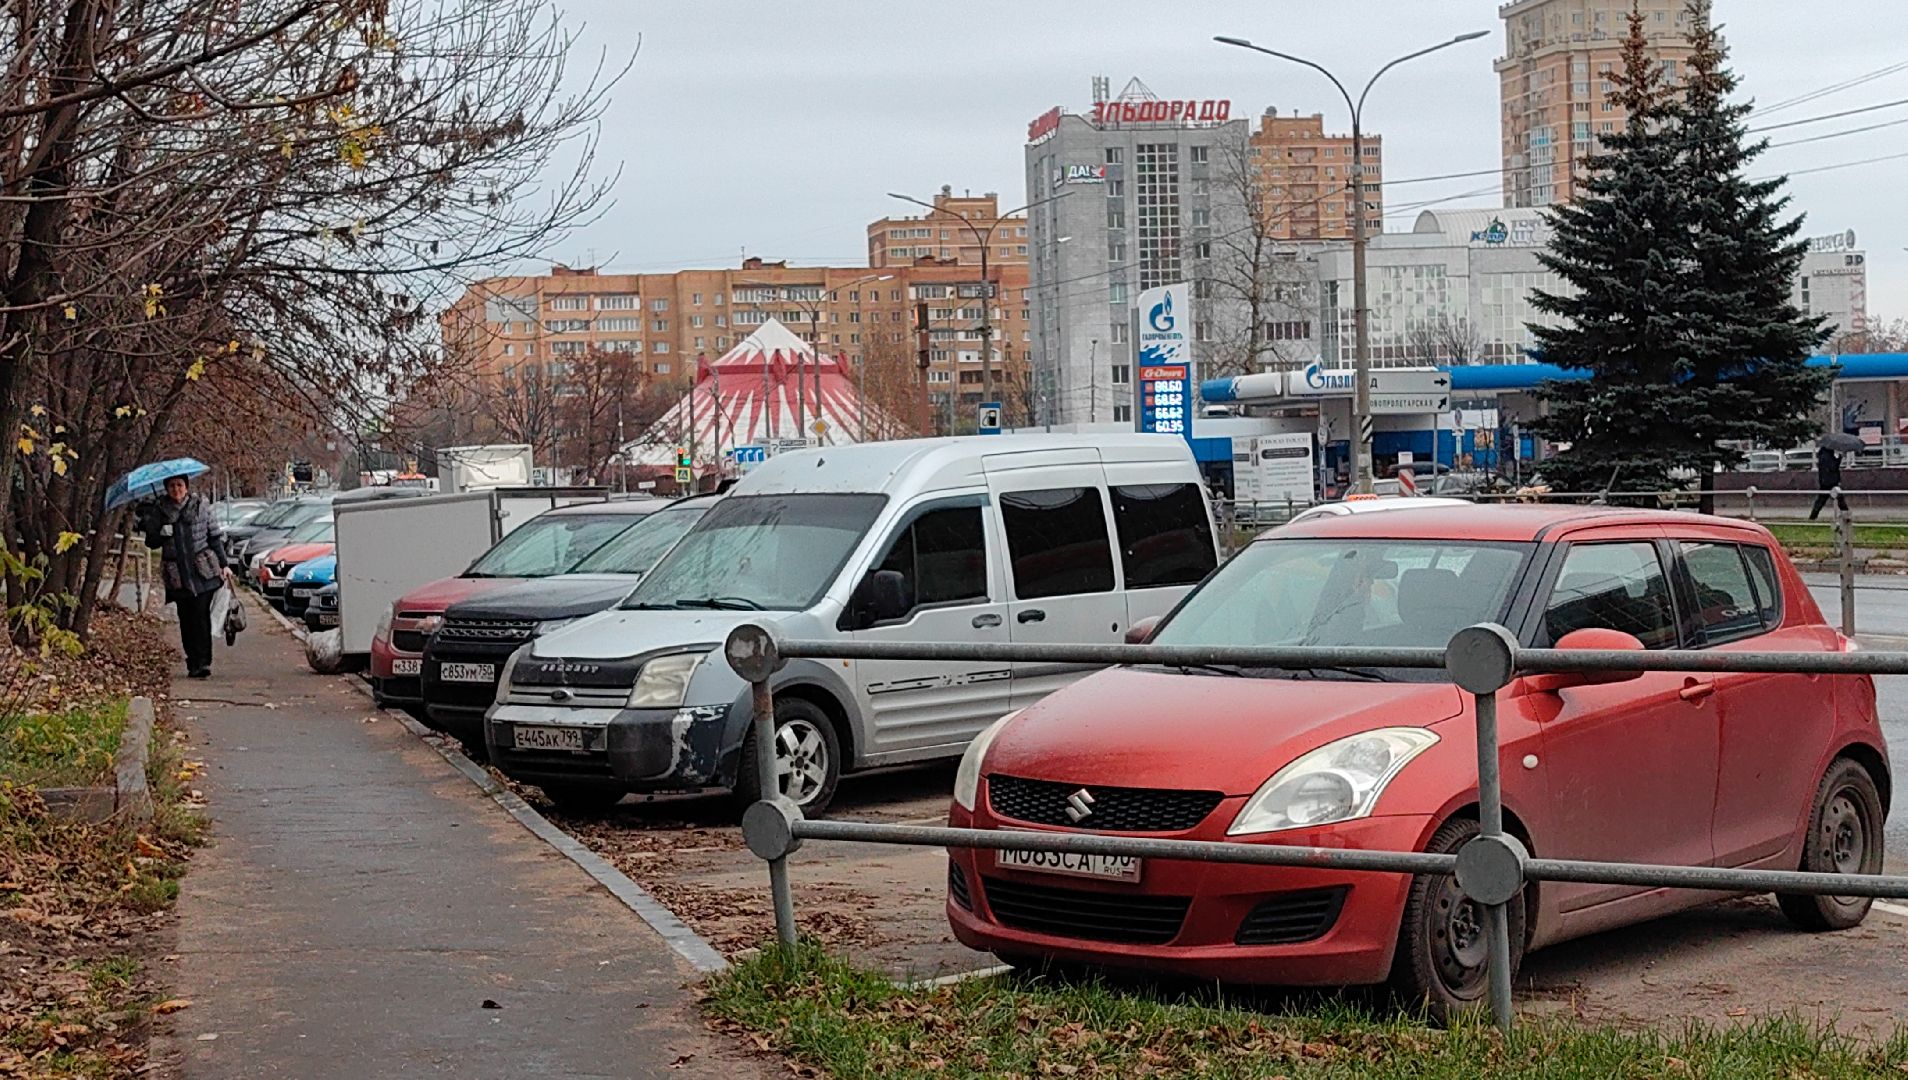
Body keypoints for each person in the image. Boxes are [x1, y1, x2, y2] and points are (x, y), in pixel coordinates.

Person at [138, 474, 233, 678]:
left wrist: (224, 564)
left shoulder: (201, 506)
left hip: (203, 570)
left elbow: (214, 537)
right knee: (186, 618)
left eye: (180, 485)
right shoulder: (160, 511)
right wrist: (161, 533)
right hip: (177, 574)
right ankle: (192, 661)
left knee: (201, 616)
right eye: (172, 486)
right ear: (166, 489)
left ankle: (204, 662)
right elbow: (151, 542)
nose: (176, 489)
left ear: (187, 487)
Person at [1810, 445, 1847, 521]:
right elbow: (1833, 467)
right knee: (1839, 498)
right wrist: (1839, 458)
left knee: (1821, 499)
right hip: (1831, 481)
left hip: (1825, 481)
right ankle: (1846, 513)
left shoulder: (1822, 456)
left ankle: (1813, 515)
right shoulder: (1828, 457)